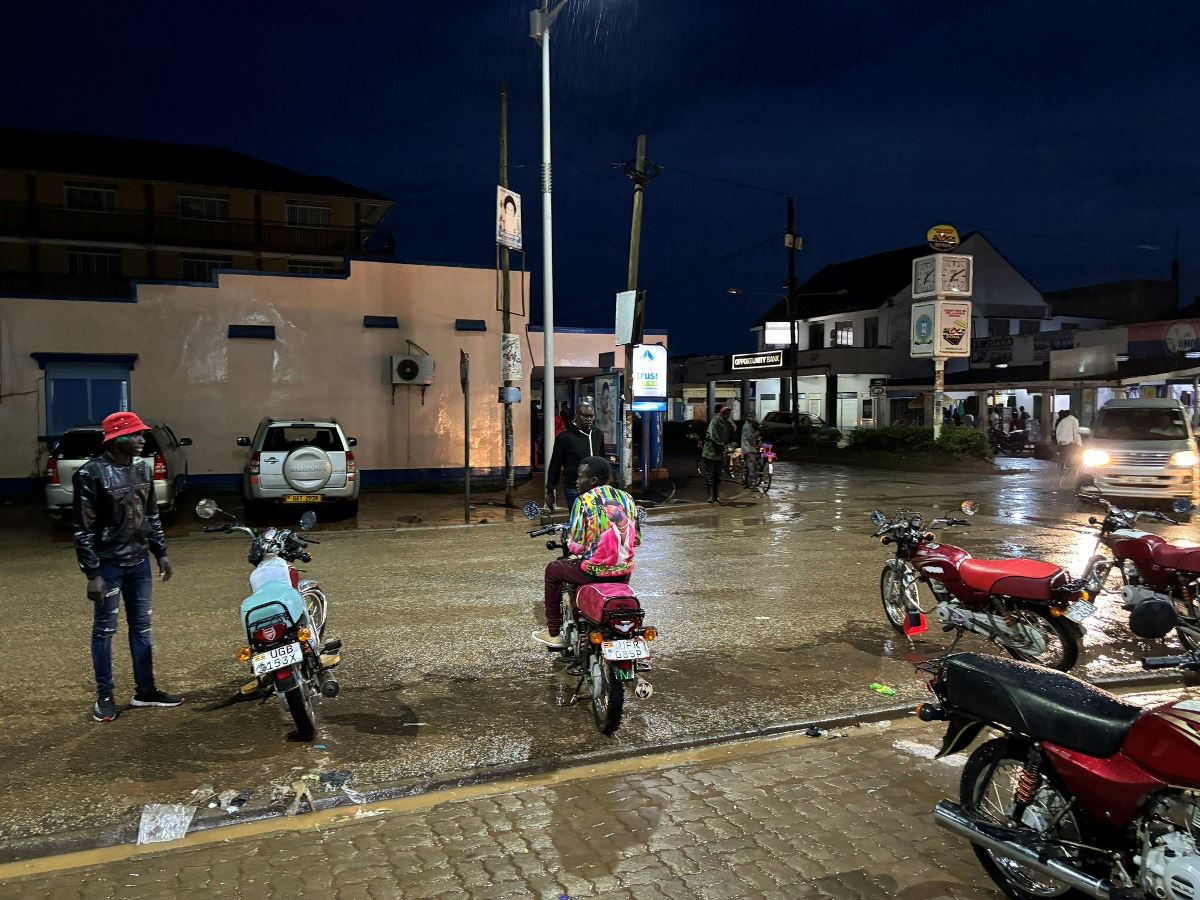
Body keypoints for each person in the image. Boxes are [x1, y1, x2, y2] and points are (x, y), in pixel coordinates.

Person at [74, 412, 181, 723]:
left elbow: (151, 516)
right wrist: (92, 574)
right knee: (105, 631)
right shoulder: (90, 474)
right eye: (134, 435)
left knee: (142, 629)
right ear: (116, 438)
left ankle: (145, 691)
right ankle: (105, 695)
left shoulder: (141, 469)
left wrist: (161, 552)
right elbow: (82, 528)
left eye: (141, 434)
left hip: (139, 563)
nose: (141, 439)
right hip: (108, 566)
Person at [534, 456, 641, 648]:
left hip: (593, 571)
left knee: (552, 570)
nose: (576, 482)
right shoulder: (628, 498)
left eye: (580, 477)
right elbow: (636, 539)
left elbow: (576, 545)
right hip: (624, 572)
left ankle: (553, 633)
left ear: (593, 481)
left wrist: (575, 545)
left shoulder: (583, 501)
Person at [546, 402, 605, 511]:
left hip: (595, 488)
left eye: (591, 416)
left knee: (595, 521)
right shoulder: (565, 436)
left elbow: (602, 459)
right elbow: (555, 464)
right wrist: (550, 491)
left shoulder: (598, 434)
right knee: (578, 520)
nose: (588, 419)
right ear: (577, 415)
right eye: (584, 416)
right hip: (574, 487)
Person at [702, 406, 735, 503]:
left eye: (729, 412)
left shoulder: (726, 423)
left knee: (717, 475)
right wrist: (722, 446)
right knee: (710, 475)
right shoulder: (715, 421)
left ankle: (716, 496)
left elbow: (729, 436)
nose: (728, 414)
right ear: (722, 412)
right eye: (726, 412)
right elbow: (713, 436)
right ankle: (711, 496)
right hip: (710, 452)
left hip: (719, 454)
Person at [740, 412, 761, 487]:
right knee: (751, 466)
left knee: (747, 466)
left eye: (752, 416)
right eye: (750, 416)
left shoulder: (745, 425)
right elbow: (750, 438)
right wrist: (757, 433)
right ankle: (752, 484)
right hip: (750, 448)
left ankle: (746, 483)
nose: (751, 418)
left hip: (745, 448)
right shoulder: (748, 426)